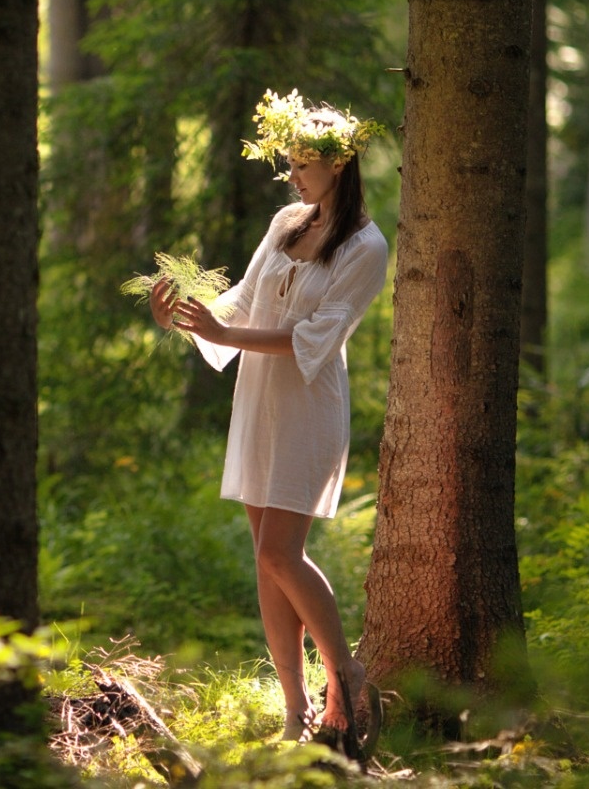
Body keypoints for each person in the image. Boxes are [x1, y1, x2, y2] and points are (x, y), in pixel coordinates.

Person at [148, 89, 388, 757]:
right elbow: (245, 300)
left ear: (339, 165)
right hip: (258, 398)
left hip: (308, 405)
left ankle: (346, 674)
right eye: (290, 163)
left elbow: (318, 336)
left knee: (282, 551)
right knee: (266, 559)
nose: (293, 176)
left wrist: (227, 332)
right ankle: (295, 708)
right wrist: (187, 316)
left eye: (303, 164)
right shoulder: (286, 221)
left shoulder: (366, 247)